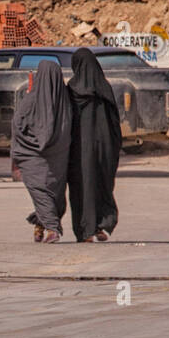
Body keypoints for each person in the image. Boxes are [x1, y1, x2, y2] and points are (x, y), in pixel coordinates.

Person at [11, 59, 72, 243]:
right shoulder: (66, 103)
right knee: (48, 192)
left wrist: (25, 146)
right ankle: (49, 227)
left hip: (33, 156)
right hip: (56, 156)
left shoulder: (30, 100)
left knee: (43, 192)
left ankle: (46, 227)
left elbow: (17, 125)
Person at [65, 48, 122, 242]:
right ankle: (101, 224)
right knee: (102, 185)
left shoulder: (72, 89)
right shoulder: (104, 87)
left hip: (79, 150)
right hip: (104, 147)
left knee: (81, 188)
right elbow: (115, 121)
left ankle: (85, 231)